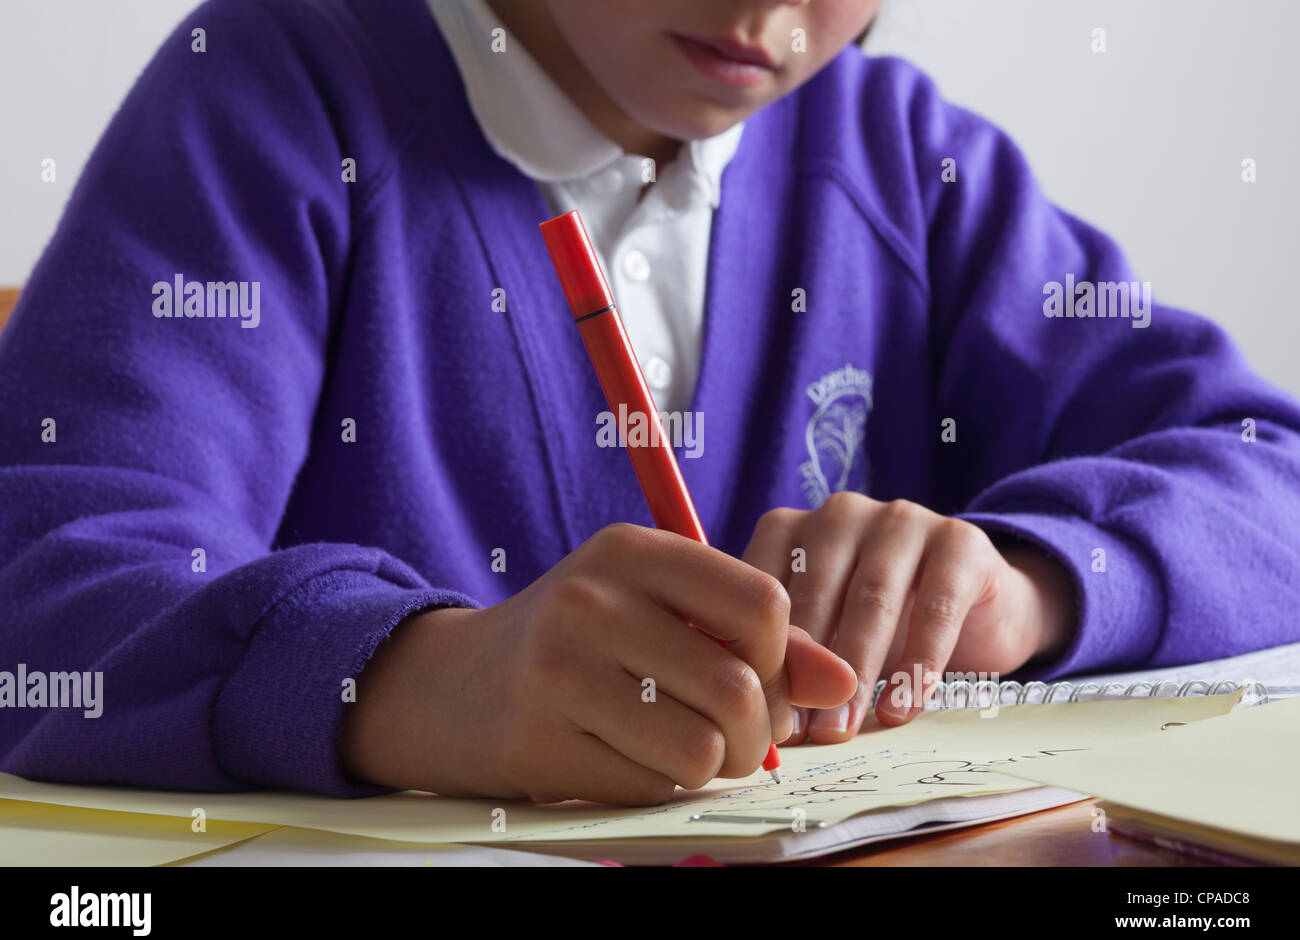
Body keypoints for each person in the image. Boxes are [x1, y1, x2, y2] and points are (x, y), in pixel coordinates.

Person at [2, 0, 1298, 806]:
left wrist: (1027, 581)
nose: (770, 13)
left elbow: (1270, 469)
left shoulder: (904, 158)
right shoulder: (274, 92)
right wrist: (403, 682)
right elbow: (46, 579)